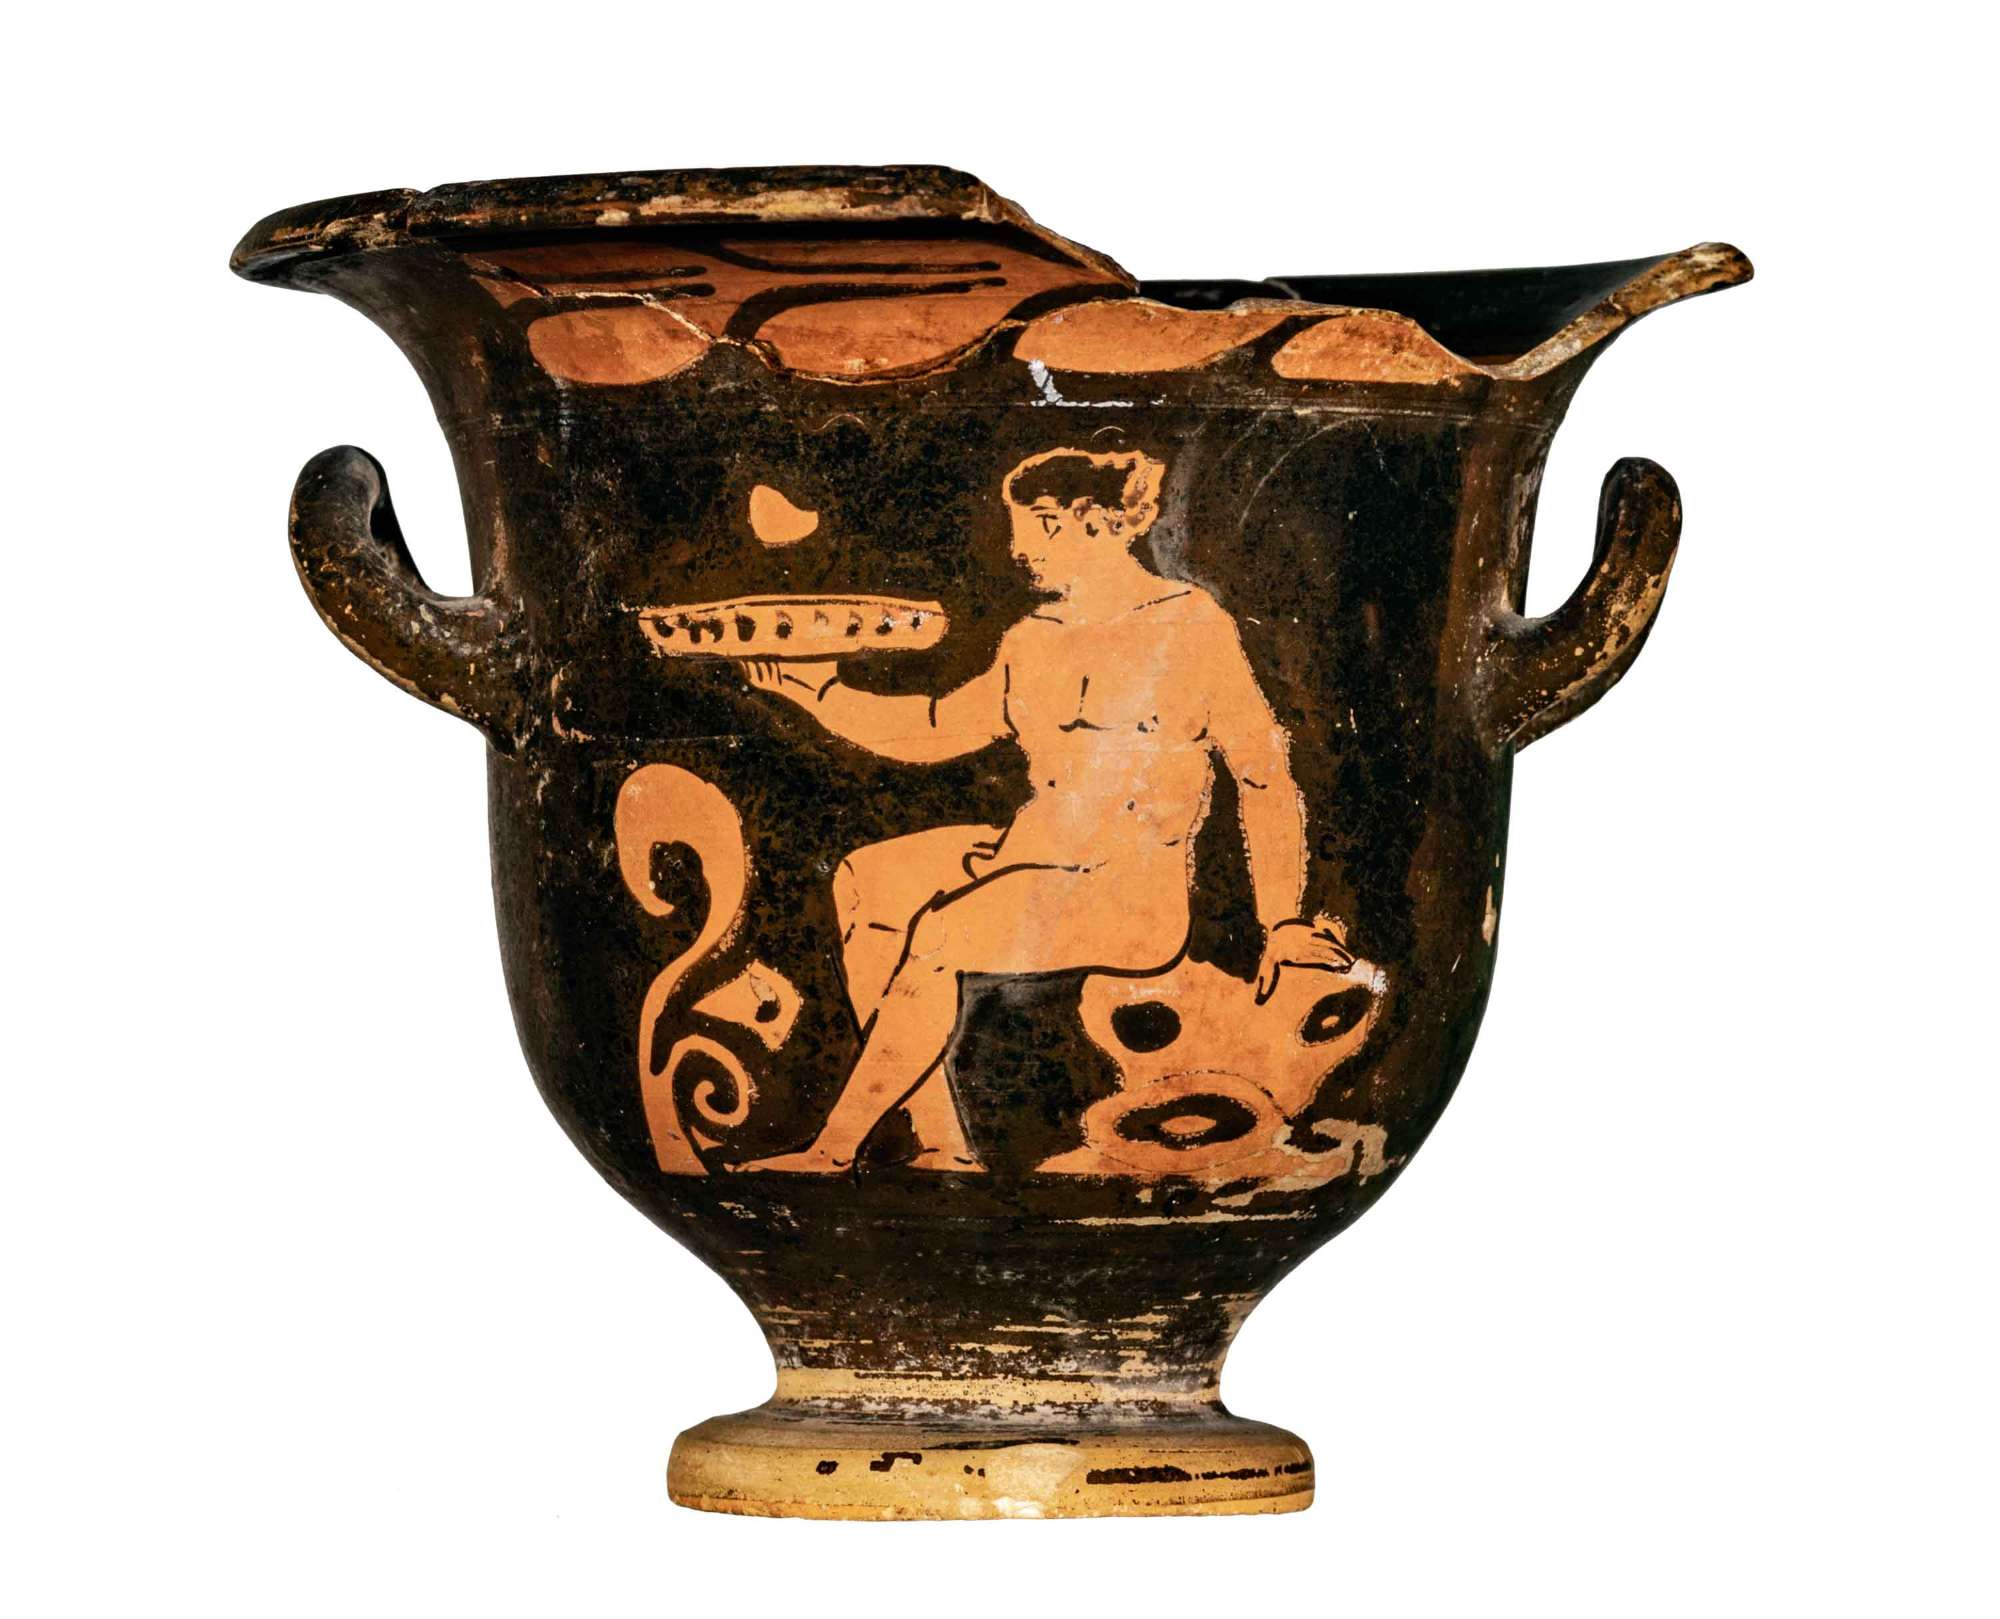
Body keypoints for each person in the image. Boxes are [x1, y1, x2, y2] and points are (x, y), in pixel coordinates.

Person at [738, 447, 1351, 1172]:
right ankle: (940, 1140)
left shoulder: (1189, 625)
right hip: (1031, 856)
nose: (1019, 549)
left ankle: (834, 1150)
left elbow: (1263, 774)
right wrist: (819, 694)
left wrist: (1281, 921)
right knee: (868, 881)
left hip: (1127, 891)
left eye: (1033, 526)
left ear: (1085, 522)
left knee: (939, 937)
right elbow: (935, 726)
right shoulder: (1033, 639)